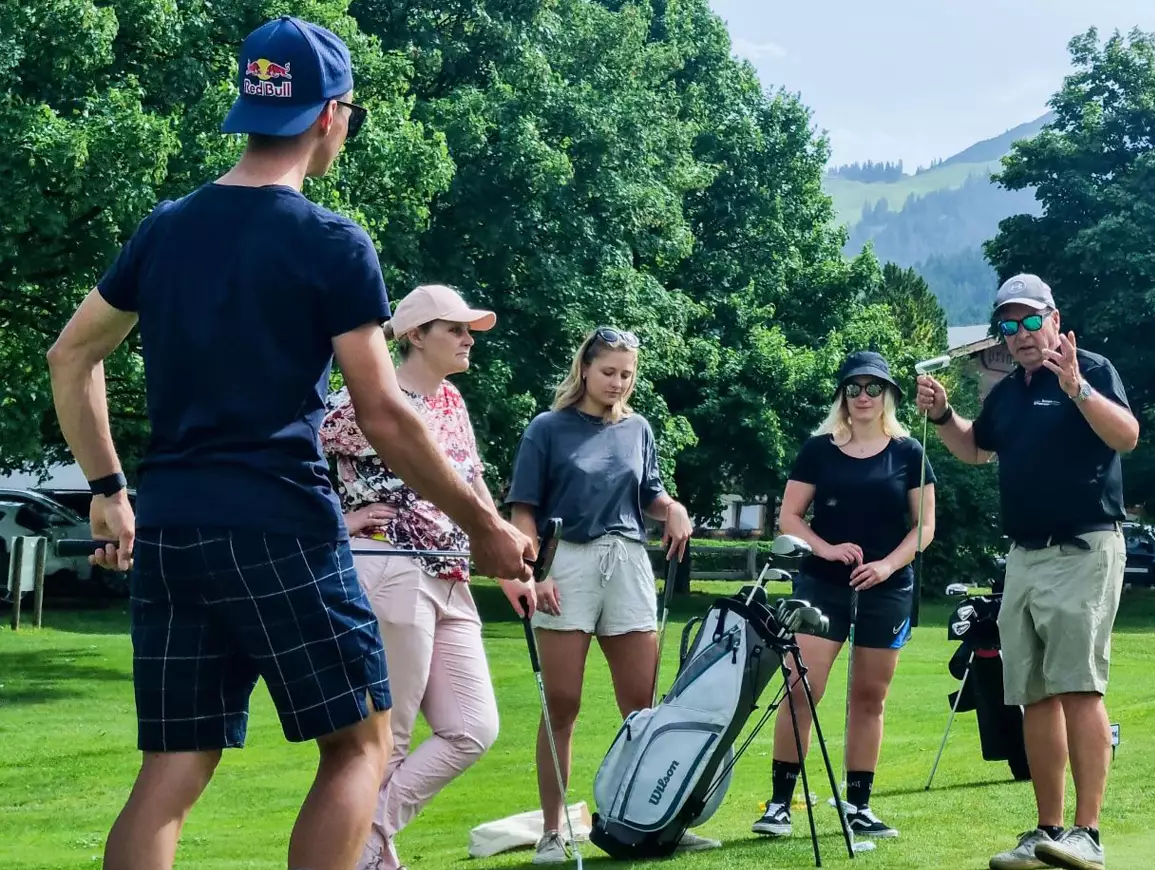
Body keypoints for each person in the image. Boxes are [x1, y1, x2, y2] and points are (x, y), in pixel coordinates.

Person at [43, 16, 534, 870]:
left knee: (173, 766)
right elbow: (383, 414)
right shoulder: (332, 242)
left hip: (172, 527)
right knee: (359, 746)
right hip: (280, 526)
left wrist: (110, 487)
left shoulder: (167, 228)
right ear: (331, 116)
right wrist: (485, 524)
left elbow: (71, 353)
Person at [916, 275, 1140, 870]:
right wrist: (944, 417)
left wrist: (1077, 389)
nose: (1018, 335)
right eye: (1007, 326)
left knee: (1078, 686)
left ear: (1053, 317)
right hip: (1024, 557)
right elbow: (975, 448)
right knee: (1032, 696)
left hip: (1083, 548)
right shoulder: (1008, 393)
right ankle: (1047, 831)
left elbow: (1128, 435)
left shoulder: (1090, 367)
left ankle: (1087, 835)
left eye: (1028, 321)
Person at [504, 326, 711, 864]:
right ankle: (553, 832)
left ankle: (657, 820)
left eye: (627, 374)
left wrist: (676, 509)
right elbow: (522, 509)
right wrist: (534, 570)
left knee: (643, 707)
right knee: (563, 704)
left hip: (628, 562)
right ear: (585, 370)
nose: (618, 382)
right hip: (565, 562)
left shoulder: (639, 429)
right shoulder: (547, 429)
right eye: (608, 372)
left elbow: (652, 495)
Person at [318, 284, 507, 870]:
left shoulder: (450, 401)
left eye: (469, 329)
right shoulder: (363, 401)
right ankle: (368, 856)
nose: (467, 338)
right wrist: (339, 520)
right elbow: (295, 464)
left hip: (451, 572)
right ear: (416, 335)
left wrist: (503, 540)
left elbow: (472, 482)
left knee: (474, 728)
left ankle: (367, 839)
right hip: (387, 567)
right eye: (455, 328)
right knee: (387, 739)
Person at [751, 351, 937, 841]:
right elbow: (789, 517)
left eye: (873, 388)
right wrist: (827, 549)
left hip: (886, 588)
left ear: (888, 396)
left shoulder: (909, 452)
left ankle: (858, 805)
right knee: (801, 688)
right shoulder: (818, 449)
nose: (862, 397)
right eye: (853, 388)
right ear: (842, 394)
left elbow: (925, 528)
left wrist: (886, 566)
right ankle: (779, 803)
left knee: (869, 698)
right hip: (821, 585)